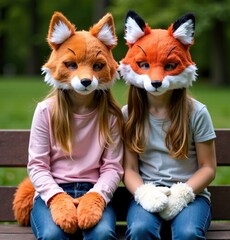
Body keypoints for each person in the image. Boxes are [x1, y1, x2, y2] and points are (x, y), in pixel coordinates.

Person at [13, 12, 124, 240]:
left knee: (102, 234)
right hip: (51, 192)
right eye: (72, 64)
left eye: (96, 65)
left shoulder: (112, 115)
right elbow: (37, 165)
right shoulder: (46, 111)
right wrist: (56, 198)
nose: (85, 76)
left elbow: (113, 167)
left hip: (95, 191)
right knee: (53, 235)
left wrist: (96, 198)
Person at [119, 10, 217, 240]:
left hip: (191, 196)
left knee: (188, 233)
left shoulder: (197, 112)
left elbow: (208, 167)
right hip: (149, 194)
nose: (156, 78)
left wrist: (182, 194)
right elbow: (130, 169)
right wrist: (144, 194)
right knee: (141, 230)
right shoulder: (128, 115)